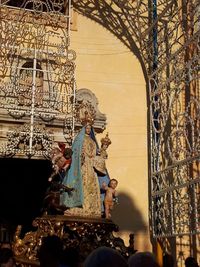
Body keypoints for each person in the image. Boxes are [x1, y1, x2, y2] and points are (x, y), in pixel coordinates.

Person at [60, 122, 101, 217]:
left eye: (90, 129)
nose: (88, 130)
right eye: (87, 128)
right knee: (82, 183)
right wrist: (81, 157)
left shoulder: (92, 141)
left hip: (91, 166)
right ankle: (78, 207)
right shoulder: (79, 139)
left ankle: (91, 209)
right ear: (83, 129)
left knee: (91, 185)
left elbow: (94, 153)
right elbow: (75, 152)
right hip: (82, 166)